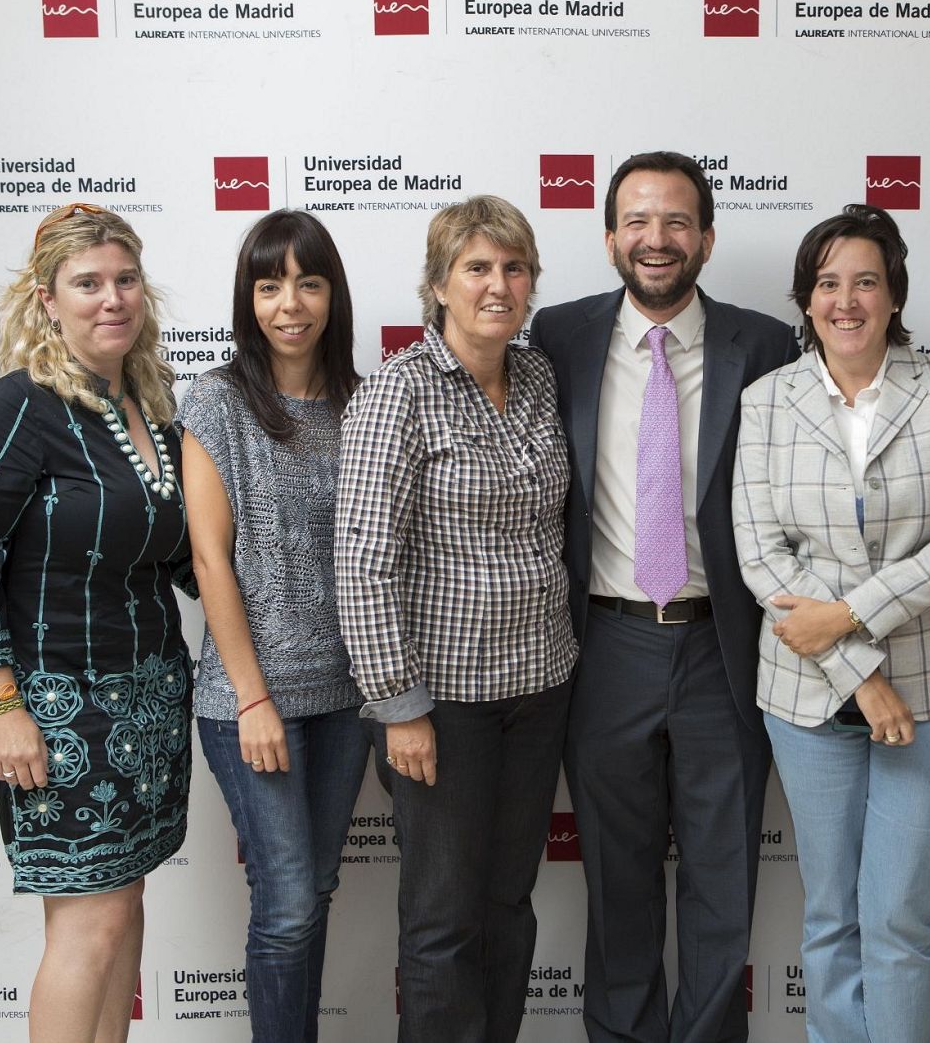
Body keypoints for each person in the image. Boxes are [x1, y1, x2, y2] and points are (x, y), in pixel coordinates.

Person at [528, 151, 799, 1042]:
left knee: (723, 881)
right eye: (638, 221)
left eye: (677, 222)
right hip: (603, 646)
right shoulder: (557, 338)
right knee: (618, 877)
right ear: (609, 236)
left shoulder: (762, 345)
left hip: (723, 645)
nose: (657, 239)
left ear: (707, 239)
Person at [731, 204, 930, 1043]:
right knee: (829, 917)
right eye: (827, 283)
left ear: (894, 295)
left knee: (900, 919)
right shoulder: (767, 400)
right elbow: (761, 554)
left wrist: (848, 615)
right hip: (807, 695)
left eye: (865, 282)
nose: (846, 300)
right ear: (806, 300)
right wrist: (862, 672)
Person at [0, 203, 190, 1043]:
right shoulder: (19, 407)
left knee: (126, 912)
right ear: (46, 299)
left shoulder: (148, 407)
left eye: (124, 279)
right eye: (87, 284)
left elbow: (179, 555)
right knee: (88, 927)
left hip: (150, 704)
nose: (111, 298)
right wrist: (1, 707)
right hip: (57, 707)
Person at [334, 195, 576, 1043]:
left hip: (540, 689)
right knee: (442, 921)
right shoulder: (396, 393)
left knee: (508, 905)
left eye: (514, 268)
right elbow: (363, 564)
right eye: (477, 268)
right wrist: (399, 707)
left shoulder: (541, 375)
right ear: (438, 285)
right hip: (442, 705)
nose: (498, 285)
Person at [178, 210, 366, 1043]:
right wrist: (254, 700)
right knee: (288, 903)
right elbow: (211, 561)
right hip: (252, 698)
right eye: (270, 284)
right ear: (247, 298)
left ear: (334, 295)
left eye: (309, 281)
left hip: (348, 696)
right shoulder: (216, 401)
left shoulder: (361, 402)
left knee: (315, 886)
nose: (291, 303)